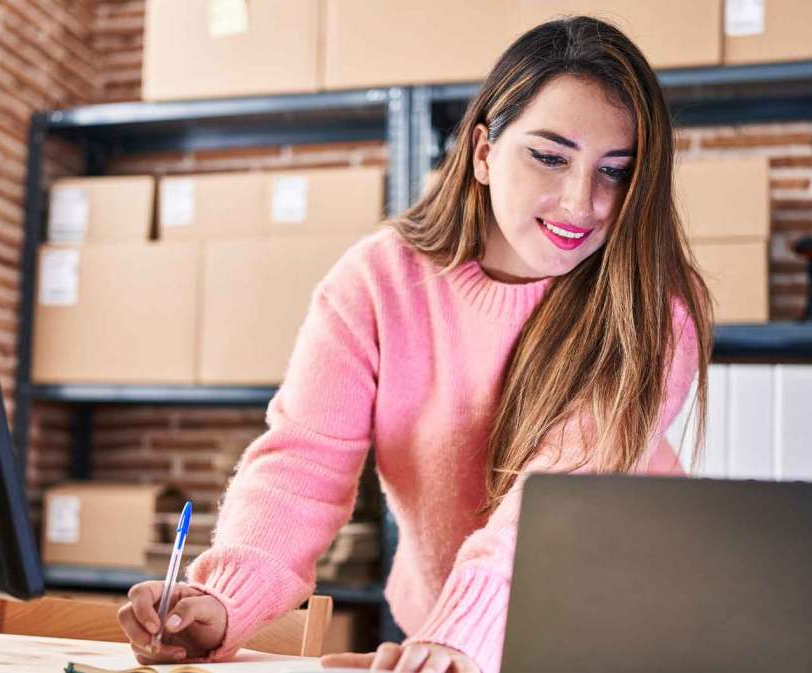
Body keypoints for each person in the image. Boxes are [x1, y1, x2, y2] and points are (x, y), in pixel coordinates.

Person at [117, 15, 713, 673]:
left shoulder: (654, 311)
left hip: (622, 638)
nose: (583, 202)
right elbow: (302, 463)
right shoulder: (377, 280)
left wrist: (461, 633)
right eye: (549, 156)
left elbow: (555, 501)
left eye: (616, 171)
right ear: (484, 152)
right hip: (449, 631)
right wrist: (222, 602)